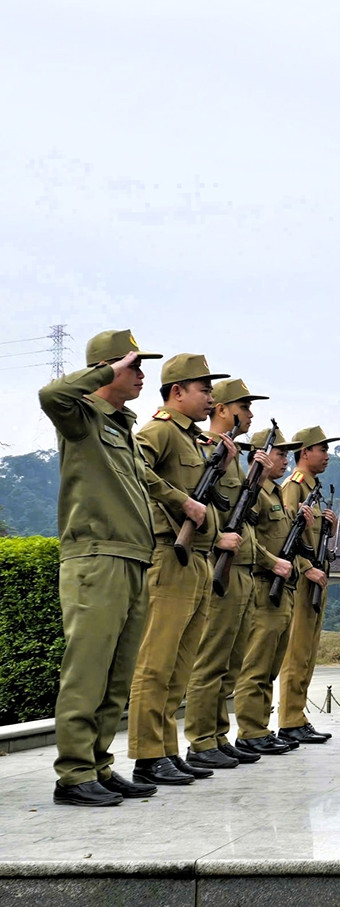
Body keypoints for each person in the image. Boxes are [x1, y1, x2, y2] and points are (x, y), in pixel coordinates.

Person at [39, 331, 164, 807]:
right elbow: (51, 394)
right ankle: (72, 774)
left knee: (116, 676)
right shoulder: (80, 418)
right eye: (134, 366)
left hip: (132, 557)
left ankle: (98, 764)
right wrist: (106, 372)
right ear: (110, 367)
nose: (141, 375)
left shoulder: (121, 427)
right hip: (97, 557)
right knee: (87, 670)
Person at [127, 354, 239, 786]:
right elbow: (135, 471)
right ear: (178, 391)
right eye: (204, 389)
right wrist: (179, 502)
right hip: (169, 555)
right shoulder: (159, 430)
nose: (211, 398)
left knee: (179, 666)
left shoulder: (193, 440)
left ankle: (166, 751)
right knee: (155, 663)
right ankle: (145, 755)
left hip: (196, 557)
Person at [182, 378, 269, 770]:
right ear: (222, 410)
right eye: (244, 407)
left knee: (231, 659)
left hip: (241, 565)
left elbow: (242, 510)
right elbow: (203, 502)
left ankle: (217, 733)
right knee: (211, 656)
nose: (250, 415)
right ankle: (200, 738)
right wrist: (217, 537)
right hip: (220, 561)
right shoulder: (204, 447)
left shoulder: (231, 453)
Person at [233, 426, 303, 756]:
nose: (285, 459)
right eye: (280, 453)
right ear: (261, 455)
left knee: (271, 666)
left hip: (282, 589)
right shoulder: (254, 492)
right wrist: (270, 561)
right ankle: (249, 729)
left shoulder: (275, 493)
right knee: (257, 665)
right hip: (263, 585)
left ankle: (261, 727)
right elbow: (246, 536)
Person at [277, 426, 340, 745]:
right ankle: (288, 720)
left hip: (318, 574)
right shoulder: (295, 487)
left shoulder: (314, 489)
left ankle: (298, 716)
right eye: (322, 450)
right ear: (305, 453)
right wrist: (304, 568)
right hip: (303, 579)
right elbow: (286, 536)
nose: (327, 456)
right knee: (296, 650)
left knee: (309, 652)